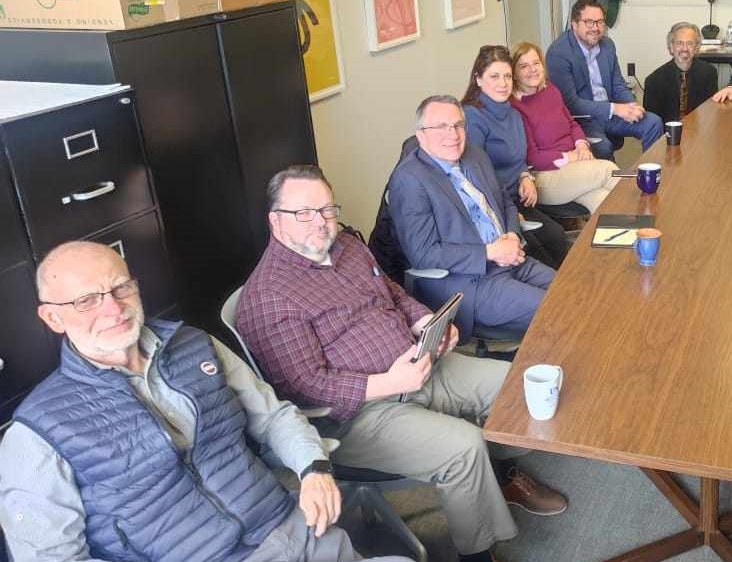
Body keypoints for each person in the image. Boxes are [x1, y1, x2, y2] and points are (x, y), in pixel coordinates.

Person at [0, 242, 411, 562]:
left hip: (295, 529)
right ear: (53, 318)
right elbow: (51, 556)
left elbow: (273, 417)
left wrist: (314, 468)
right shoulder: (40, 431)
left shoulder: (195, 345)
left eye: (120, 287)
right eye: (86, 300)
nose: (113, 308)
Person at [237, 165, 566, 562]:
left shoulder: (347, 245)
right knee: (463, 447)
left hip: (418, 363)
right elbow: (306, 386)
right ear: (276, 220)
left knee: (512, 386)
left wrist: (425, 322)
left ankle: (500, 477)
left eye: (327, 209)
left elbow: (392, 293)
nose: (321, 222)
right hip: (358, 412)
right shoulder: (269, 296)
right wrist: (390, 382)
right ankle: (478, 555)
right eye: (304, 213)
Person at [390, 95, 556, 341]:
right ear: (421, 135)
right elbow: (423, 253)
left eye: (458, 125)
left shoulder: (475, 155)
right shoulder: (410, 180)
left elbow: (505, 201)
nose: (453, 135)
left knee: (575, 291)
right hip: (470, 280)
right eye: (441, 127)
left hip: (512, 259)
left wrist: (512, 235)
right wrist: (490, 252)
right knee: (557, 311)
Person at [463, 45, 570, 269]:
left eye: (507, 76)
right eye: (494, 76)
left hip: (518, 197)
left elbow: (520, 156)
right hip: (495, 205)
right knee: (541, 253)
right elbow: (475, 177)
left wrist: (525, 176)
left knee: (556, 237)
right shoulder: (473, 118)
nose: (503, 83)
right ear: (478, 79)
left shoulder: (512, 113)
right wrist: (508, 214)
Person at [546, 0, 663, 159]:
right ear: (574, 24)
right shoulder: (559, 53)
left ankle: (651, 171)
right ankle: (611, 176)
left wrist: (631, 105)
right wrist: (615, 109)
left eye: (600, 22)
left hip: (610, 113)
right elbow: (570, 104)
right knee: (602, 148)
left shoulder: (607, 45)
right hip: (583, 120)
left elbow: (618, 84)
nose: (596, 28)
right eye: (589, 22)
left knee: (653, 123)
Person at [509, 41, 619, 212]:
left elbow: (572, 124)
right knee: (609, 170)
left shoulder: (550, 90)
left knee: (603, 200)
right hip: (543, 176)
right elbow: (532, 157)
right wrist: (570, 157)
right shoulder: (515, 107)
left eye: (536, 63)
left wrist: (581, 145)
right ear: (514, 74)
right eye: (524, 66)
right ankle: (648, 217)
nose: (532, 70)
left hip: (573, 167)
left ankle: (636, 226)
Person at [643, 22, 719, 124]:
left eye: (690, 43)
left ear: (697, 47)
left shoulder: (709, 73)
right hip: (667, 132)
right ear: (671, 46)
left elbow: (710, 114)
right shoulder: (654, 81)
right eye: (679, 43)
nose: (685, 49)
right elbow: (651, 124)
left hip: (699, 129)